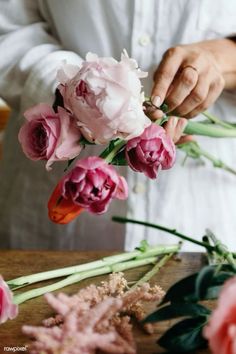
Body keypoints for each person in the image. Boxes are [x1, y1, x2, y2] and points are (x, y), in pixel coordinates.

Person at [0, 0, 236, 251]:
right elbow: (9, 29)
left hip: (204, 210)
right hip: (52, 234)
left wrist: (225, 56)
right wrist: (82, 95)